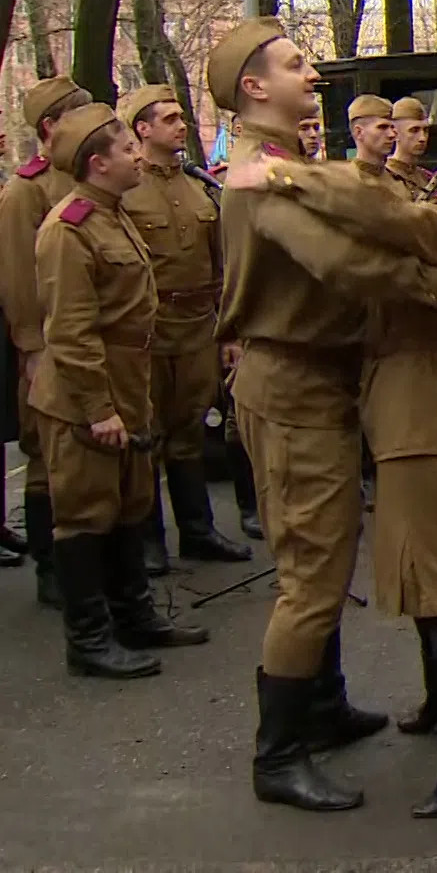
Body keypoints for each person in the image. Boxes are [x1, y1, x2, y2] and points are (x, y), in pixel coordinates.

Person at [221, 100, 437, 818]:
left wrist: (288, 178)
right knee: (419, 574)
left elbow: (393, 223)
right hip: (404, 408)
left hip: (424, 412)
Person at [209, 16, 437, 812]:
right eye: (295, 65)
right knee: (311, 574)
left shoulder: (285, 163)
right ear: (253, 87)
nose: (312, 74)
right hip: (290, 382)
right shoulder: (258, 173)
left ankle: (321, 709)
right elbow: (340, 261)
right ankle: (278, 755)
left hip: (319, 378)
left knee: (323, 557)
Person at [33, 103, 210, 679]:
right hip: (86, 399)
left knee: (128, 507)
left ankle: (134, 616)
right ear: (96, 163)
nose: (138, 155)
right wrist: (97, 408)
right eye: (126, 149)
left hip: (128, 390)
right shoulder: (70, 227)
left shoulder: (113, 214)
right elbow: (69, 331)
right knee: (86, 515)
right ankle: (88, 640)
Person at [116, 84, 252, 574]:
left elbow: (222, 268)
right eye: (169, 118)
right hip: (149, 329)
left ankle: (198, 530)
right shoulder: (126, 191)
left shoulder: (197, 186)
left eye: (180, 116)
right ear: (142, 129)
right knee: (146, 436)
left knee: (190, 431)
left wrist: (228, 331)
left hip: (197, 325)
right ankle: (151, 541)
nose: (180, 124)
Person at [0, 75, 94, 608]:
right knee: (46, 456)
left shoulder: (84, 181)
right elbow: (17, 278)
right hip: (47, 348)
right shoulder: (25, 192)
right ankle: (50, 566)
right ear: (51, 128)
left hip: (86, 342)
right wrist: (32, 349)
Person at [346, 94, 397, 182]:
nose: (392, 134)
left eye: (392, 127)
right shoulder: (344, 183)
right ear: (359, 132)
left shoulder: (400, 182)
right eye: (382, 127)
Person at [387, 97, 433, 193]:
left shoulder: (427, 178)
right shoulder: (384, 177)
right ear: (395, 132)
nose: (422, 138)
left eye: (425, 130)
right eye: (414, 130)